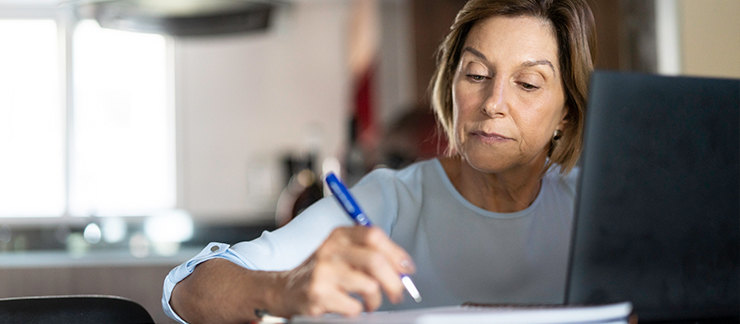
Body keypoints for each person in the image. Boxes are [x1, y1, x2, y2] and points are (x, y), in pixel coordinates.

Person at [162, 0, 596, 323]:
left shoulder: (596, 209)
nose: (493, 103)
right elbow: (184, 290)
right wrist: (281, 289)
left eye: (527, 83)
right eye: (477, 75)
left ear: (566, 113)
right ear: (452, 87)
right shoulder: (390, 200)